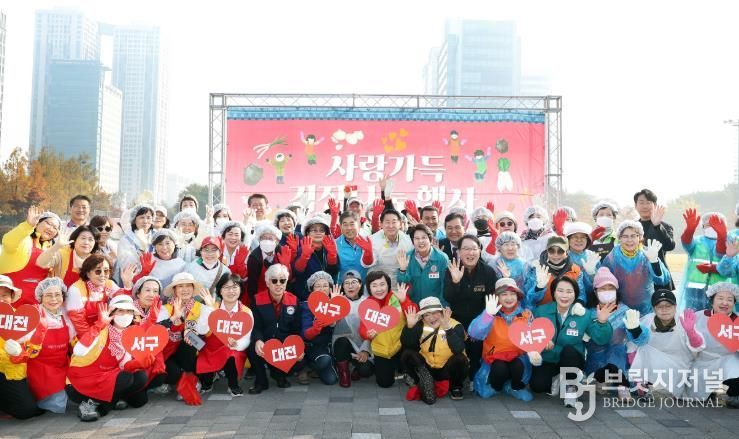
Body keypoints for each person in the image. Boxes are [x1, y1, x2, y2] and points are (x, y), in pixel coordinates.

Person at [67, 295, 159, 421]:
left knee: (140, 387)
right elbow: (79, 350)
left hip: (108, 377)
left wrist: (139, 363)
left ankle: (112, 400)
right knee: (126, 378)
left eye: (129, 311)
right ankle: (90, 404)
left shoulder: (128, 334)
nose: (125, 315)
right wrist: (99, 325)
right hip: (84, 381)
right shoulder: (101, 330)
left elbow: (124, 365)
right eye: (120, 311)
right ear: (112, 313)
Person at [529, 276, 614, 408]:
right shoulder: (541, 311)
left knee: (569, 350)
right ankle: (557, 377)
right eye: (560, 291)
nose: (564, 295)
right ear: (554, 293)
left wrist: (602, 322)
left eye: (569, 292)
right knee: (538, 386)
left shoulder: (584, 314)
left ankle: (571, 387)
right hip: (548, 358)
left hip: (572, 359)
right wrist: (541, 341)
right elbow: (530, 335)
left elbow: (601, 339)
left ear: (575, 295)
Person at [628, 289, 705, 400]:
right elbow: (632, 346)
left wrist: (691, 332)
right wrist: (635, 331)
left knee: (689, 393)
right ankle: (643, 385)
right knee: (643, 349)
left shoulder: (685, 321)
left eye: (668, 306)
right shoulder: (648, 321)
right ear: (654, 308)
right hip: (655, 361)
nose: (664, 310)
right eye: (659, 306)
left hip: (681, 365)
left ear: (675, 306)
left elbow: (698, 347)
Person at [468, 278, 533, 401]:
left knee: (518, 365)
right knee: (499, 368)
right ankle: (495, 387)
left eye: (512, 294)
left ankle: (515, 388)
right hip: (495, 358)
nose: (509, 298)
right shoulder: (490, 313)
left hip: (517, 357)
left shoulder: (525, 315)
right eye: (504, 294)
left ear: (517, 296)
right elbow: (474, 334)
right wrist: (488, 315)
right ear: (497, 297)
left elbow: (533, 337)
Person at [444, 234, 498, 380]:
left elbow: (491, 302)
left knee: (476, 351)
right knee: (456, 351)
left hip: (479, 319)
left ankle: (474, 378)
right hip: (457, 320)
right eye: (466, 249)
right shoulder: (451, 269)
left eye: (474, 249)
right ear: (459, 252)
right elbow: (448, 297)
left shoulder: (488, 272)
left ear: (479, 251)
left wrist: (479, 327)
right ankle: (456, 381)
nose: (470, 253)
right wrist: (455, 282)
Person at [248, 264, 303, 394]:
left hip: (284, 343)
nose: (278, 284)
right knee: (252, 348)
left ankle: (278, 374)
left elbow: (296, 329)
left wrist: (298, 348)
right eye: (274, 280)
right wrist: (258, 340)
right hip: (265, 341)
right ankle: (261, 381)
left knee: (298, 363)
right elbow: (255, 326)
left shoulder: (294, 300)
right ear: (267, 283)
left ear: (286, 282)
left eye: (282, 280)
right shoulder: (257, 299)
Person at [401, 297, 468, 403]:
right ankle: (420, 380)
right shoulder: (420, 324)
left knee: (460, 359)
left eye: (434, 313)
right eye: (426, 315)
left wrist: (447, 328)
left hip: (446, 368)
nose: (431, 318)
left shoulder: (455, 325)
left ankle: (455, 387)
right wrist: (409, 327)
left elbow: (458, 349)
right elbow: (407, 344)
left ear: (441, 312)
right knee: (407, 354)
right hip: (427, 367)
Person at [158, 273, 210, 406]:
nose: (185, 289)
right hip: (169, 353)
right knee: (171, 371)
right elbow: (158, 332)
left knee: (191, 338)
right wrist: (174, 318)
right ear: (174, 290)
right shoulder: (165, 309)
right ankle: (182, 381)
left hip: (192, 352)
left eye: (188, 286)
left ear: (193, 289)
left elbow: (204, 334)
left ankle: (190, 378)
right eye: (180, 286)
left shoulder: (201, 308)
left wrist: (188, 330)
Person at [25, 277, 76, 413]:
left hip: (62, 366)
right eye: (48, 295)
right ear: (40, 298)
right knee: (57, 404)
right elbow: (27, 349)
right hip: (40, 370)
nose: (54, 299)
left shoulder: (66, 315)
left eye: (57, 294)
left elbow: (73, 341)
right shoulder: (33, 314)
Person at [196, 274, 252, 397]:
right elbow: (200, 329)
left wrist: (237, 344)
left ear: (241, 289)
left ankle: (233, 385)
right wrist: (209, 309)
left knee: (231, 356)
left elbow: (247, 338)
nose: (231, 291)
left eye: (235, 287)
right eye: (226, 287)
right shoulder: (212, 306)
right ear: (220, 290)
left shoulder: (246, 312)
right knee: (203, 371)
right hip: (211, 349)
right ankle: (208, 381)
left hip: (232, 349)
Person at [599, 220, 671, 314]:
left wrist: (654, 261)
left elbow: (663, 281)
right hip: (620, 310)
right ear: (620, 238)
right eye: (625, 236)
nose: (629, 240)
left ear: (639, 237)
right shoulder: (612, 257)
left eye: (633, 236)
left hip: (646, 310)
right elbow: (601, 283)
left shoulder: (647, 254)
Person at [584, 267, 635, 400]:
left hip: (618, 358)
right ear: (595, 291)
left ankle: (622, 385)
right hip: (596, 357)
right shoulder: (588, 313)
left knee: (617, 349)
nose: (607, 291)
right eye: (603, 288)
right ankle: (601, 379)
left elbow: (638, 338)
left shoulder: (625, 311)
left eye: (610, 288)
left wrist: (636, 329)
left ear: (616, 291)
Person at [358, 270, 415, 388]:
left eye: (382, 284)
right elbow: (362, 330)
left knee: (410, 355)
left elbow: (413, 313)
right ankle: (382, 367)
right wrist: (368, 334)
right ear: (369, 288)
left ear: (388, 285)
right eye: (374, 285)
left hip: (401, 345)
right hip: (382, 350)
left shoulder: (397, 297)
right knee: (385, 383)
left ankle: (406, 369)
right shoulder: (367, 305)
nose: (379, 289)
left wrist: (404, 301)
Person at [0, 275, 43, 419]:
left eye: (5, 295)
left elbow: (32, 351)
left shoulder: (20, 319)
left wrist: (20, 353)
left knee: (27, 410)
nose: (1, 299)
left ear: (12, 297)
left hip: (11, 373)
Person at [0, 207, 61, 306]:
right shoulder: (23, 239)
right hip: (6, 302)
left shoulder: (53, 251)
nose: (51, 228)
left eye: (55, 228)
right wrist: (27, 225)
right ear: (37, 223)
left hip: (34, 306)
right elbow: (8, 242)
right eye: (48, 223)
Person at [65, 254, 134, 339]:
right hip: (82, 336)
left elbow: (124, 303)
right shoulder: (76, 290)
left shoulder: (109, 284)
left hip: (101, 331)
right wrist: (92, 340)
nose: (102, 275)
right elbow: (79, 324)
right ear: (88, 273)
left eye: (106, 271)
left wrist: (127, 284)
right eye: (98, 271)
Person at [693, 282, 739, 407]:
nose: (725, 303)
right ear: (712, 300)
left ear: (734, 303)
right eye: (720, 298)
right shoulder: (699, 317)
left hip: (729, 361)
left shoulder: (737, 321)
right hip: (702, 361)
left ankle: (735, 393)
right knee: (694, 396)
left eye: (729, 300)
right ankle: (707, 389)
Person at [679, 209, 734, 311]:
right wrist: (689, 230)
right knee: (693, 318)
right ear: (703, 226)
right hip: (694, 292)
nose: (712, 227)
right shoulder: (697, 241)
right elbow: (687, 243)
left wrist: (722, 237)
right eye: (708, 225)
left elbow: (720, 253)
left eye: (715, 224)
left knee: (717, 318)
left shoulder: (729, 243)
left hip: (720, 292)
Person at [332, 270, 373, 387]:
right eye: (347, 283)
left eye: (354, 282)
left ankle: (354, 367)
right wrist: (333, 304)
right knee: (342, 342)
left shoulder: (368, 302)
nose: (350, 286)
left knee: (366, 371)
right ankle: (344, 373)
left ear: (360, 285)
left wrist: (365, 350)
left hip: (362, 344)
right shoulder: (339, 300)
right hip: (343, 344)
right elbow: (331, 325)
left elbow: (372, 328)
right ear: (343, 286)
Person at [298, 271, 339, 385]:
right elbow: (305, 334)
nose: (322, 289)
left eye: (325, 285)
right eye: (318, 286)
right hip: (309, 346)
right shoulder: (305, 305)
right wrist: (316, 328)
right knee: (324, 360)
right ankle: (306, 366)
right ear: (312, 289)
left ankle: (316, 368)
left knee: (331, 380)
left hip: (325, 347)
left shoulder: (334, 304)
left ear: (330, 288)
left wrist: (334, 307)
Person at [527, 236, 587, 308]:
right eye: (551, 251)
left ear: (567, 252)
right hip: (542, 311)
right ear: (547, 251)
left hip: (567, 311)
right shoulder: (537, 269)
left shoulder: (575, 270)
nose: (556, 255)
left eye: (560, 251)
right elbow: (529, 300)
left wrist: (579, 303)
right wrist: (539, 288)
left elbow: (581, 294)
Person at [397, 224, 450, 305]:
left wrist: (443, 307)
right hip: (414, 305)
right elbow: (403, 286)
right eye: (417, 238)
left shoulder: (442, 258)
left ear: (430, 240)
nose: (420, 241)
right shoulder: (407, 257)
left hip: (434, 307)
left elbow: (445, 286)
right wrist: (402, 271)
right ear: (412, 241)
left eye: (424, 237)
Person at [292, 214, 339, 301]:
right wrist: (304, 257)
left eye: (321, 230)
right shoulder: (303, 249)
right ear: (307, 233)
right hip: (306, 296)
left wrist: (332, 256)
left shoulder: (330, 247)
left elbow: (334, 272)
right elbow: (297, 272)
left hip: (327, 295)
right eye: (314, 230)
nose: (318, 233)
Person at [634, 189, 675, 287]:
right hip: (637, 277)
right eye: (641, 203)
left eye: (648, 203)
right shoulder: (632, 227)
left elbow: (670, 246)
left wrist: (657, 226)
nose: (645, 206)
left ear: (655, 205)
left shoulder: (664, 226)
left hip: (659, 275)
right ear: (636, 206)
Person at [245, 224, 291, 302]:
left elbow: (288, 279)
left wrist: (286, 266)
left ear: (277, 241)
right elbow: (252, 283)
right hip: (260, 294)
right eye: (264, 238)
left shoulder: (283, 251)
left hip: (280, 293)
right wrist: (255, 301)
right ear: (259, 240)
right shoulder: (254, 257)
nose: (267, 241)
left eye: (270, 238)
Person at [369, 209, 413, 289]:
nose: (391, 226)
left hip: (400, 283)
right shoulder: (372, 240)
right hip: (378, 284)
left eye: (394, 222)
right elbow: (370, 263)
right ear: (381, 224)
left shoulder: (408, 241)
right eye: (387, 222)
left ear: (400, 224)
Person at [116, 204, 155, 278]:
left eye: (148, 217)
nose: (145, 221)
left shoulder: (156, 236)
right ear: (134, 220)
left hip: (155, 277)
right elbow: (125, 262)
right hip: (134, 277)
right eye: (141, 217)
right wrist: (141, 255)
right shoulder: (127, 239)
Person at [335, 211, 374, 281]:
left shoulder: (368, 242)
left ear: (359, 225)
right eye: (345, 225)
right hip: (343, 285)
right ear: (340, 227)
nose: (349, 228)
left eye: (352, 224)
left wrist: (368, 252)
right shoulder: (335, 244)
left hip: (364, 285)